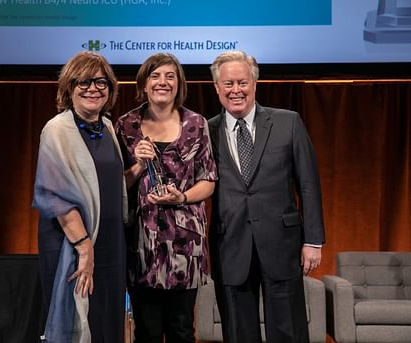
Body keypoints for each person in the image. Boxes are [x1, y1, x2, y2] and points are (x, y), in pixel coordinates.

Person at [207, 50, 326, 343]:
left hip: (282, 245)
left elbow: (308, 184)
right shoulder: (205, 131)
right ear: (217, 88)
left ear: (254, 84)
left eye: (242, 82)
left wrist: (313, 241)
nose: (236, 90)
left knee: (288, 331)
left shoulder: (288, 122)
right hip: (230, 246)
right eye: (228, 84)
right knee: (238, 333)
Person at [115, 53, 217, 343]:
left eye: (170, 76)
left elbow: (209, 180)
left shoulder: (196, 123)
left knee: (182, 330)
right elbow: (114, 186)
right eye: (155, 76)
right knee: (146, 331)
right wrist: (136, 164)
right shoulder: (125, 125)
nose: (163, 82)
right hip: (141, 245)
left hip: (186, 245)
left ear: (179, 83)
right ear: (144, 84)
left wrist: (181, 197)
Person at [32, 51, 128, 343]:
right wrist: (85, 249)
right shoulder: (57, 129)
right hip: (73, 245)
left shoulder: (109, 127)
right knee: (78, 321)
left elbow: (112, 184)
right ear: (69, 88)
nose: (92, 88)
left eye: (101, 82)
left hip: (111, 243)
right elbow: (55, 196)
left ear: (110, 89)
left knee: (108, 321)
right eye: (83, 82)